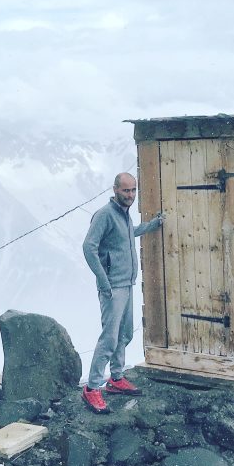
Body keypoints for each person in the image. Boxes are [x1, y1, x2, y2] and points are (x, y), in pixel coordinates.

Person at [81, 172, 164, 413]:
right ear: (115, 189)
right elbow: (88, 247)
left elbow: (127, 235)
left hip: (126, 284)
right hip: (112, 288)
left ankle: (116, 378)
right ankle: (92, 388)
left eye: (133, 190)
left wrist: (152, 225)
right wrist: (103, 281)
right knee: (109, 338)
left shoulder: (123, 214)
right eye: (126, 190)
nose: (130, 195)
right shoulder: (105, 214)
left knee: (124, 333)